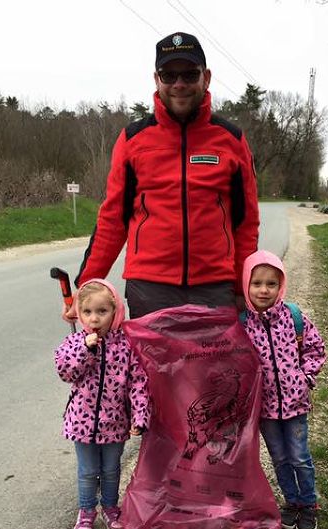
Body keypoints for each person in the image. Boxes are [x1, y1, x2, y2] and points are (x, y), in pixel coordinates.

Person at [67, 31, 260, 320]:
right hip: (150, 289)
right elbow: (113, 219)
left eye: (189, 74)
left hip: (214, 288)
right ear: (156, 79)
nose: (179, 84)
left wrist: (243, 286)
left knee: (209, 368)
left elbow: (246, 222)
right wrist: (86, 285)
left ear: (206, 78)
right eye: (169, 75)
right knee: (153, 368)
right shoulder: (133, 139)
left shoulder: (231, 139)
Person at [54, 279, 151, 529]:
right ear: (79, 314)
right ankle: (86, 511)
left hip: (115, 423)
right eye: (87, 312)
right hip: (81, 423)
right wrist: (86, 350)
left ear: (115, 312)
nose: (94, 318)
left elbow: (138, 383)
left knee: (110, 469)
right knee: (87, 470)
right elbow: (66, 371)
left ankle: (110, 508)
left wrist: (140, 416)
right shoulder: (75, 342)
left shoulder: (126, 346)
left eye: (102, 311)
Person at [240, 250, 327, 529]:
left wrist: (306, 378)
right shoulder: (242, 325)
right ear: (246, 285)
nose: (264, 290)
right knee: (279, 457)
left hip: (295, 404)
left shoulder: (293, 317)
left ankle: (309, 503)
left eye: (271, 284)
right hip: (264, 409)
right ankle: (291, 501)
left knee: (299, 457)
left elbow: (316, 349)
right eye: (257, 283)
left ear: (281, 286)